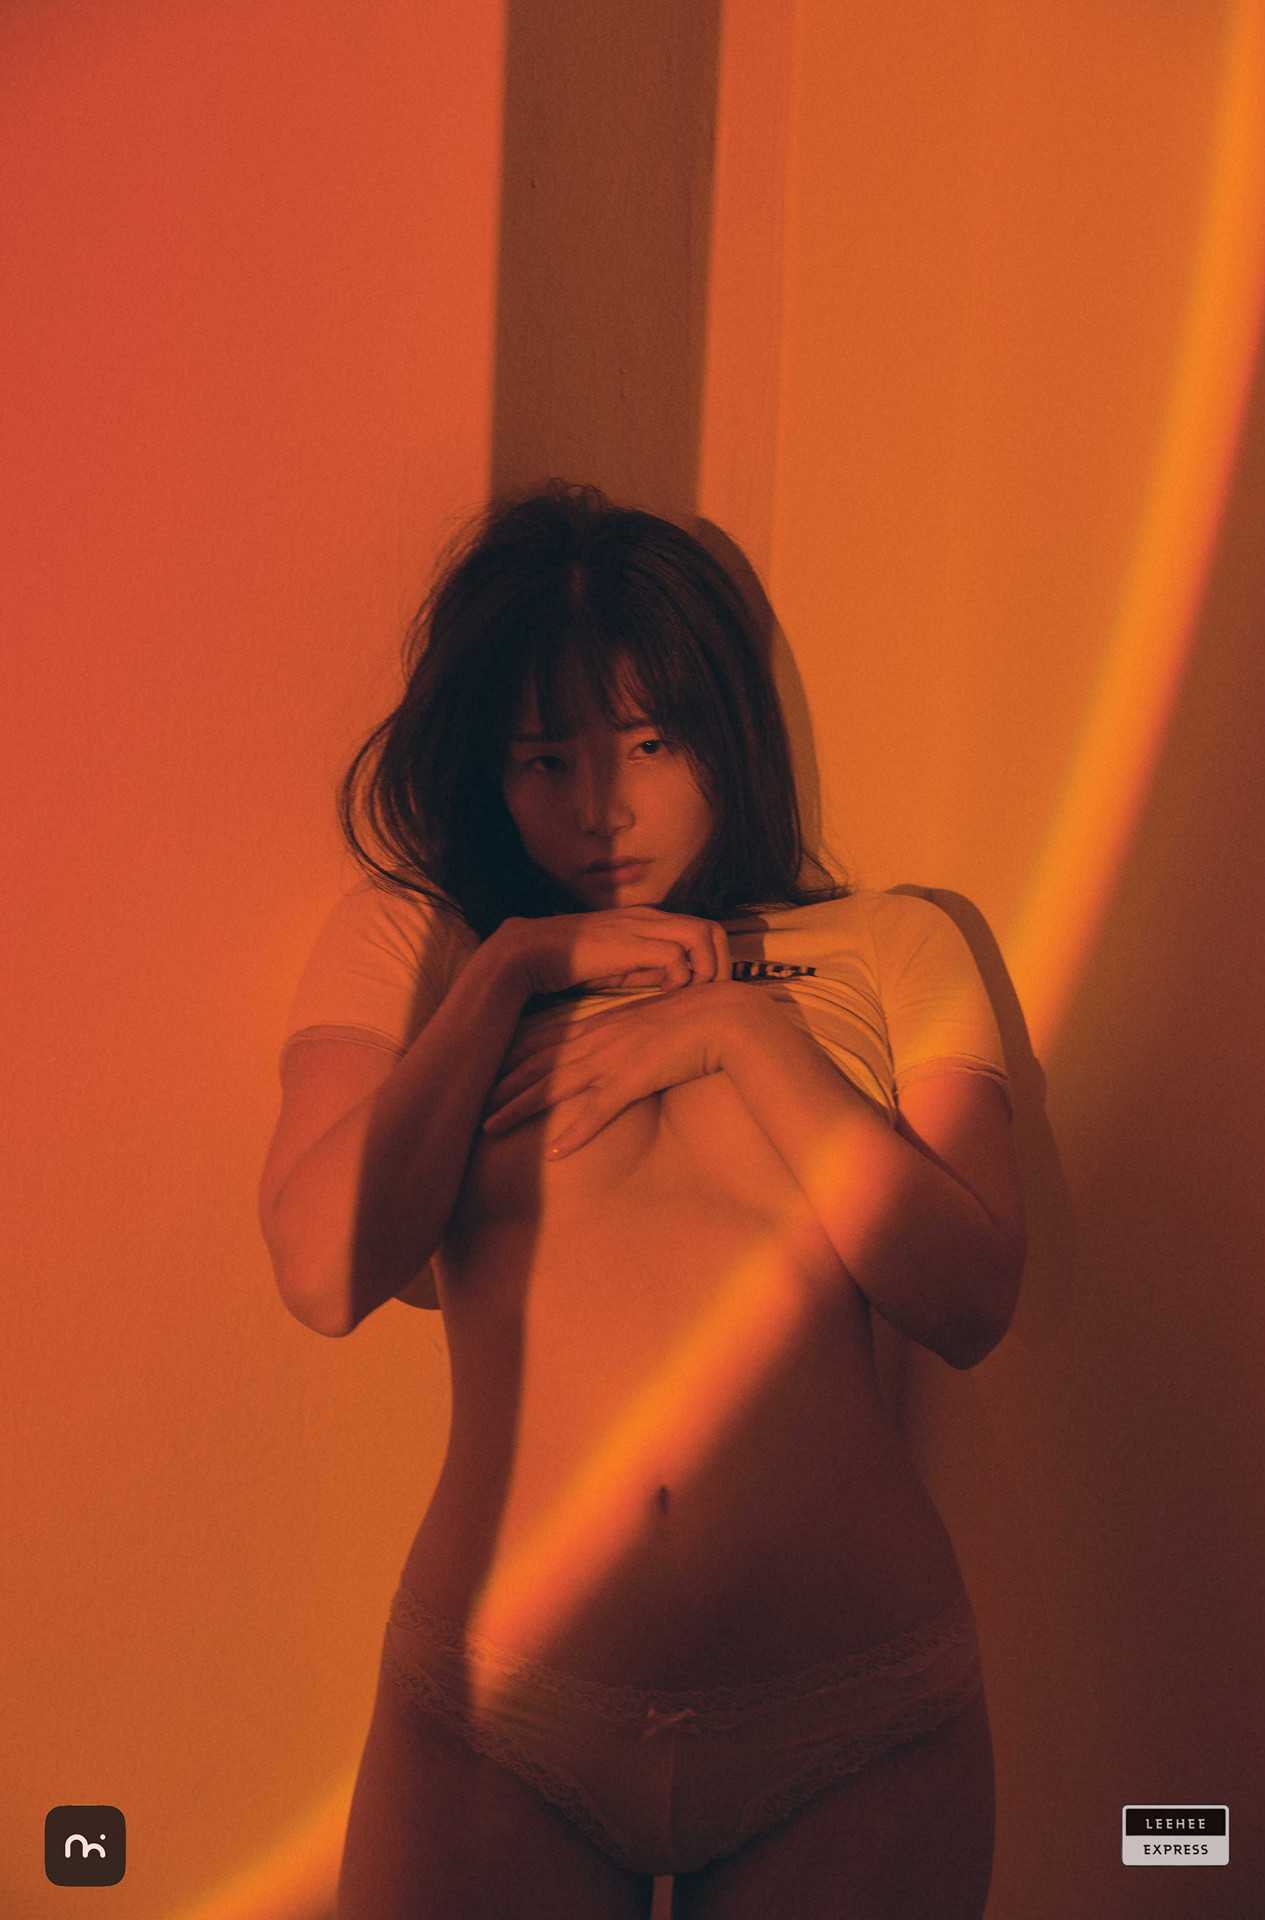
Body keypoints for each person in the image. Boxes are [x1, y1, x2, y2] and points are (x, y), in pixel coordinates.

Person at [258, 482, 1024, 1918]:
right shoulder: (421, 948)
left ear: (725, 731)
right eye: (546, 761)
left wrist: (737, 1033)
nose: (601, 808)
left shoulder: (889, 945)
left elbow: (969, 1296)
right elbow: (322, 1268)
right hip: (497, 1721)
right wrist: (511, 973)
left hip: (860, 1722)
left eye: (650, 745)